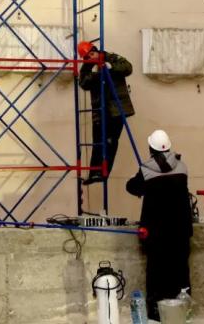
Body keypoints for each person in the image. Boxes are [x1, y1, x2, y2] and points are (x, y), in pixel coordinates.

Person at [126, 130, 193, 322]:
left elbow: (132, 187)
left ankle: (156, 312)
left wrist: (139, 176)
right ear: (169, 147)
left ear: (150, 148)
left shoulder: (146, 171)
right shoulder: (182, 168)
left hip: (156, 233)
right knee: (181, 271)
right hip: (180, 230)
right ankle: (183, 310)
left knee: (156, 272)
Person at [78, 41, 134, 184]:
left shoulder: (112, 58)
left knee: (110, 141)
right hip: (100, 111)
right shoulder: (89, 67)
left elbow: (128, 68)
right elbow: (83, 83)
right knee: (98, 142)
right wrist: (91, 68)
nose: (91, 57)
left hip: (116, 110)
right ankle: (94, 173)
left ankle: (103, 173)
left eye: (92, 54)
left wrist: (110, 66)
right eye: (87, 57)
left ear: (96, 50)